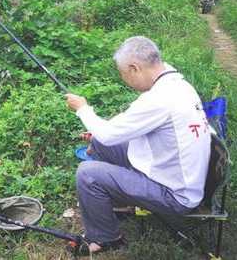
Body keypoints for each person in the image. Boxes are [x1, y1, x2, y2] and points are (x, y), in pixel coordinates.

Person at [65, 36, 211, 255]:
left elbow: (109, 134)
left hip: (175, 194)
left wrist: (82, 109)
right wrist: (98, 133)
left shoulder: (159, 99)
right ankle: (112, 198)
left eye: (123, 74)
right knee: (98, 141)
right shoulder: (176, 83)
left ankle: (107, 238)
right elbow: (110, 134)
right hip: (176, 173)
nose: (125, 80)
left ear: (134, 68)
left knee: (88, 174)